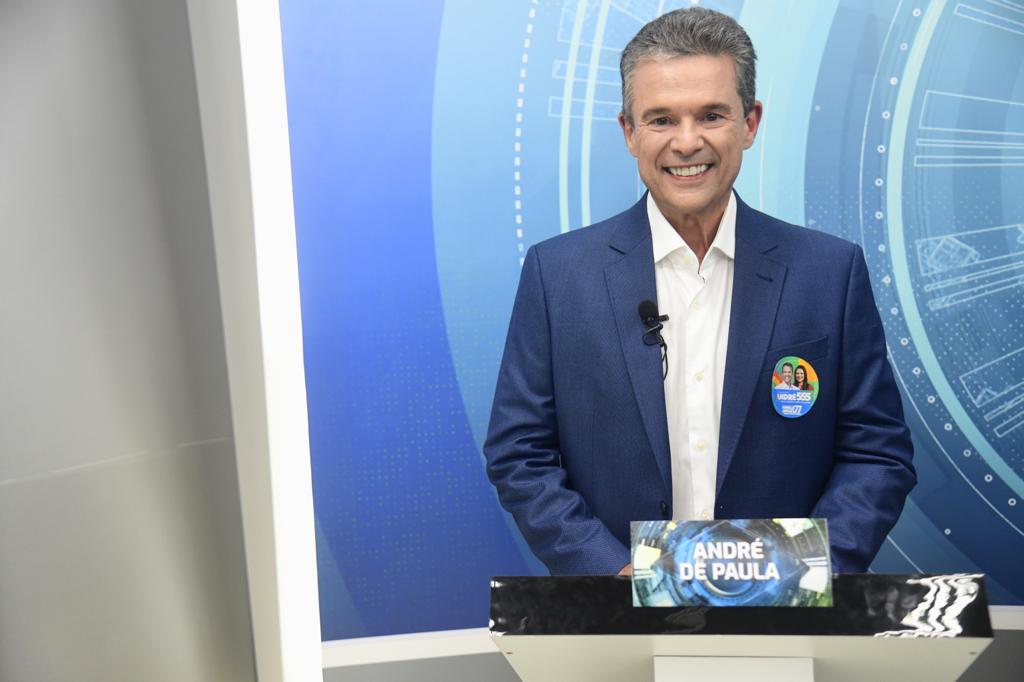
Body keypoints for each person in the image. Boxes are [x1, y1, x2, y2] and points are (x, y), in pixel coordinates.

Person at [484, 7, 915, 576]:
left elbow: (876, 454)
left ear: (750, 123)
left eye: (711, 115)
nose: (687, 143)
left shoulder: (830, 273)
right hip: (618, 613)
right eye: (661, 119)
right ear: (629, 133)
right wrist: (614, 575)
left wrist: (804, 572)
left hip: (787, 611)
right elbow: (520, 455)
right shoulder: (558, 275)